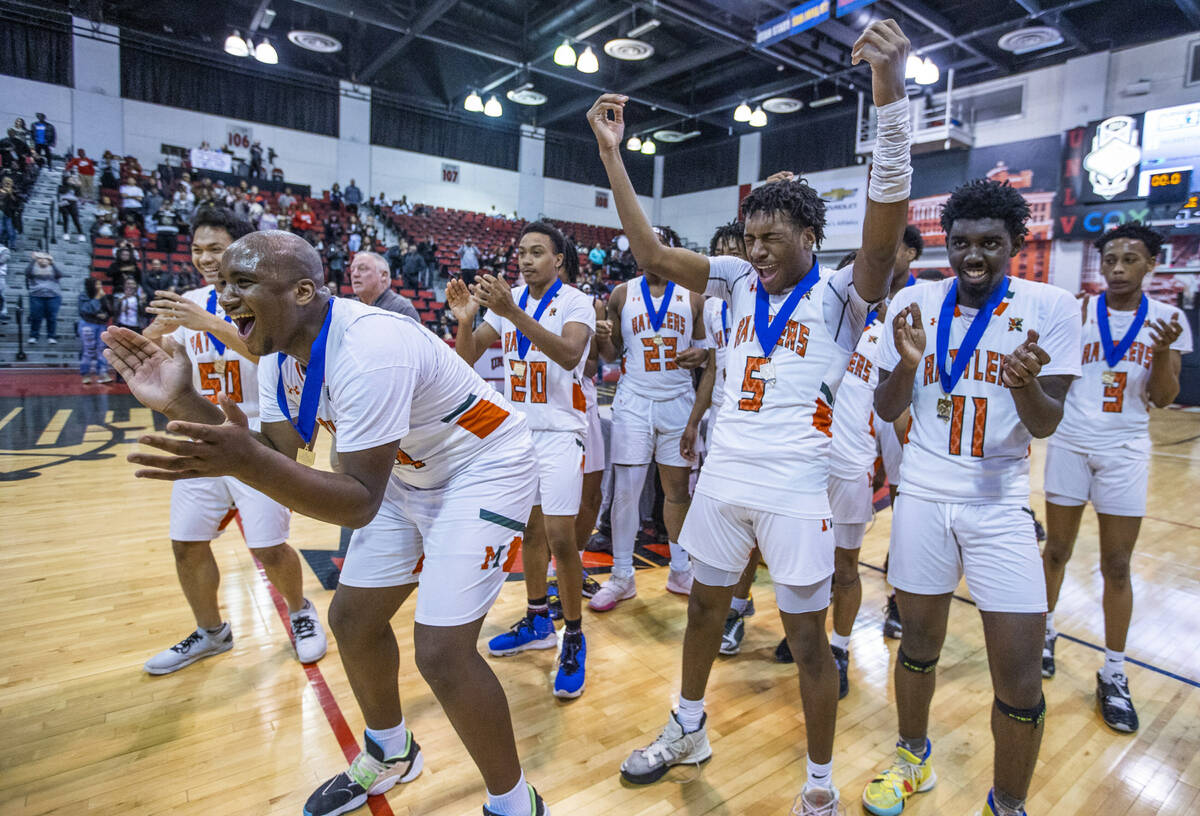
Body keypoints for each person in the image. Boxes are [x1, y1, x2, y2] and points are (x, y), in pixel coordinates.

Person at [105, 229, 551, 816]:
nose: (225, 296)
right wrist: (181, 402)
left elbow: (355, 500)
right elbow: (276, 455)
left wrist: (241, 455)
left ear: (303, 291)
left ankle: (517, 803)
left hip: (485, 465)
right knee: (352, 617)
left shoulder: (369, 347)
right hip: (407, 473)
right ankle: (392, 752)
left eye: (242, 283)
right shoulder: (276, 355)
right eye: (222, 283)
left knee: (442, 651)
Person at [585, 18, 912, 814]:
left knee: (805, 643)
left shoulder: (842, 292)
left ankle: (820, 785)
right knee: (703, 605)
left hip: (798, 483)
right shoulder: (730, 278)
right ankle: (688, 727)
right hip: (727, 472)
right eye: (751, 238)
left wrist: (889, 92)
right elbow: (654, 258)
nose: (758, 251)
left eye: (773, 239)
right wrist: (611, 156)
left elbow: (887, 224)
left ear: (809, 235)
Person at [864, 178, 1081, 816]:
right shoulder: (916, 301)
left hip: (1000, 499)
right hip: (926, 496)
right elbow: (884, 406)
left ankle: (1007, 804)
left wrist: (1022, 386)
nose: (973, 256)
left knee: (1017, 678)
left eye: (990, 242)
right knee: (918, 647)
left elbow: (1045, 423)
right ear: (946, 243)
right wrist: (906, 365)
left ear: (1016, 241)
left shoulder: (1052, 305)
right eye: (960, 243)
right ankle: (913, 759)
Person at [128, 206, 326, 676]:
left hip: (261, 435)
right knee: (187, 542)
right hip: (203, 434)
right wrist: (150, 339)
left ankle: (300, 612)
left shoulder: (266, 298)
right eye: (197, 250)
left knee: (268, 546)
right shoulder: (188, 301)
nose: (204, 259)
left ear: (240, 250)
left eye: (215, 249)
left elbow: (278, 350)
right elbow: (155, 360)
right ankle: (210, 632)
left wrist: (210, 322)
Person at [1040, 222, 1192, 733]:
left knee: (1118, 565)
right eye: (1110, 260)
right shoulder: (1077, 311)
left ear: (1151, 263)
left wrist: (1162, 354)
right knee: (1055, 552)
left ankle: (1115, 670)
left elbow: (1164, 397)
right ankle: (1043, 631)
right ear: (1100, 265)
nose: (1119, 268)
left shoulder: (1168, 320)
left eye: (1131, 259)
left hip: (1126, 449)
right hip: (1070, 444)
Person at [449, 221, 596, 699]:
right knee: (528, 532)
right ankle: (537, 621)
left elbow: (571, 354)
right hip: (520, 432)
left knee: (559, 536)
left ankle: (573, 634)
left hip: (561, 432)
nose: (526, 260)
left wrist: (511, 312)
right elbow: (465, 358)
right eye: (521, 252)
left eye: (537, 252)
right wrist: (467, 317)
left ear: (558, 260)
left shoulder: (574, 301)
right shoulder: (509, 300)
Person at [588, 222, 706, 611]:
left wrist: (702, 355)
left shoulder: (693, 296)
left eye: (658, 245)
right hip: (634, 401)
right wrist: (603, 334)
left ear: (672, 250)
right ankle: (622, 576)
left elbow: (708, 352)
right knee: (625, 492)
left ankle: (681, 569)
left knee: (677, 494)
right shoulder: (622, 294)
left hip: (677, 401)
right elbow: (610, 354)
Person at [683, 220, 759, 656]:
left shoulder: (768, 298)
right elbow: (714, 367)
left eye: (737, 250)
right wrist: (695, 420)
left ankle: (739, 606)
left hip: (759, 428)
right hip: (721, 423)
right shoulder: (714, 307)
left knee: (753, 528)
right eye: (721, 253)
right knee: (726, 529)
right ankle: (725, 607)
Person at [349, 251, 419, 320]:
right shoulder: (350, 308)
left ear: (383, 275)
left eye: (362, 269)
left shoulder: (402, 309)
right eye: (352, 270)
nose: (355, 274)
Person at [78, 278, 113, 384]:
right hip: (88, 324)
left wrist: (105, 314)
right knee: (88, 350)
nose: (99, 286)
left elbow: (110, 310)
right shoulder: (84, 295)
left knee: (101, 350)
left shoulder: (102, 295)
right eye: (97, 284)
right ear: (91, 285)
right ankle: (85, 374)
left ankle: (103, 373)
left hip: (101, 324)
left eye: (100, 284)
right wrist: (98, 298)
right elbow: (86, 309)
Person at [25, 251, 65, 344]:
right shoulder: (33, 267)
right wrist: (33, 260)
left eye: (46, 259)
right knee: (36, 316)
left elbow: (59, 275)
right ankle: (33, 335)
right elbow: (27, 274)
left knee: (52, 317)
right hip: (36, 295)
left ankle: (51, 336)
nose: (43, 260)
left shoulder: (53, 268)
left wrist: (53, 263)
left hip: (53, 296)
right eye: (41, 258)